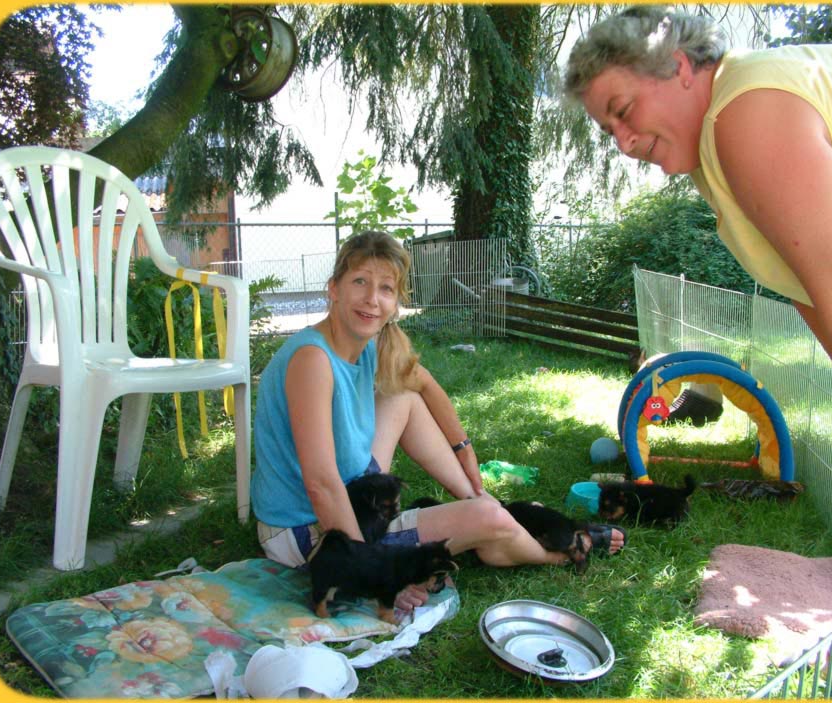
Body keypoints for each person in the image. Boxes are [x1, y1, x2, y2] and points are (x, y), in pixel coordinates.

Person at [564, 5, 832, 683]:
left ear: (680, 66)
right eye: (607, 128)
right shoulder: (718, 167)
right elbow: (813, 291)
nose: (623, 140)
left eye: (624, 108)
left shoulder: (746, 113)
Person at [251, 230, 626, 615]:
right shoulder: (313, 360)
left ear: (396, 302)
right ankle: (556, 553)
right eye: (359, 282)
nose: (371, 299)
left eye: (386, 288)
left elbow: (425, 388)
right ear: (334, 288)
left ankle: (484, 508)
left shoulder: (366, 344)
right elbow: (321, 485)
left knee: (403, 398)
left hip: (350, 492)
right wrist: (371, 571)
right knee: (487, 518)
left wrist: (464, 449)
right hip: (308, 532)